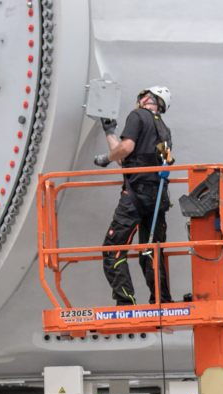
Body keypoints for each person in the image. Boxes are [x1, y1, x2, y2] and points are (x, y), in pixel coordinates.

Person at [93, 86, 175, 306]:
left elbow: (126, 149)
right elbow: (126, 158)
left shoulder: (137, 115)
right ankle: (161, 300)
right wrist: (110, 132)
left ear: (147, 98)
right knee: (151, 251)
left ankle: (125, 300)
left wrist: (104, 159)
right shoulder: (164, 130)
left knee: (113, 248)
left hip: (135, 196)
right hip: (157, 199)